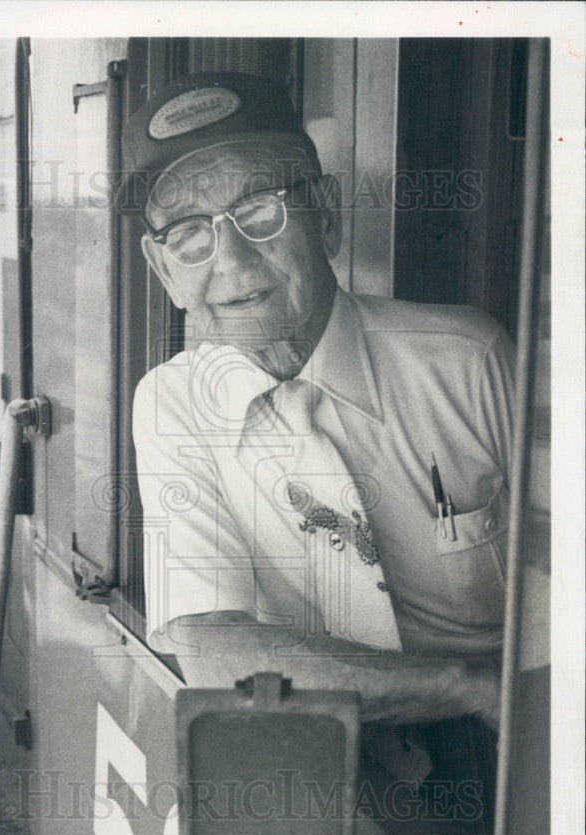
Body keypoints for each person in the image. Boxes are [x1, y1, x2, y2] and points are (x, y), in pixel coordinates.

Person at [123, 72, 514, 732]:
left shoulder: (468, 360)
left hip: (507, 754)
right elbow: (212, 653)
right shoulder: (172, 405)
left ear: (326, 215)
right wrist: (467, 687)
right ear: (165, 271)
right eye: (191, 234)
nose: (234, 264)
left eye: (260, 212)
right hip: (329, 757)